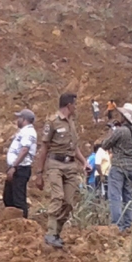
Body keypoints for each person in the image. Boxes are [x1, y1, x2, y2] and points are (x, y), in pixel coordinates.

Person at [35, 93, 82, 250]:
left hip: (71, 166)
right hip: (55, 164)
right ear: (69, 105)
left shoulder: (72, 123)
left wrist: (84, 162)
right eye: (75, 105)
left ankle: (57, 234)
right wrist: (39, 173)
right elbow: (44, 148)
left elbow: (74, 148)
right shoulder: (52, 122)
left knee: (68, 202)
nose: (76, 107)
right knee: (58, 197)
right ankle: (50, 233)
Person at [99, 103, 132, 234]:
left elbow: (105, 145)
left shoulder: (120, 131)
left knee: (115, 196)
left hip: (118, 167)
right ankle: (128, 225)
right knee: (128, 196)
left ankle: (117, 225)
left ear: (125, 116)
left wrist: (112, 130)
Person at [3, 110, 36, 217]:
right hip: (16, 167)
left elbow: (24, 150)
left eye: (19, 118)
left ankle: (23, 224)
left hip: (20, 168)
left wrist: (14, 166)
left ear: (24, 119)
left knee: (18, 199)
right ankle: (12, 223)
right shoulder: (24, 131)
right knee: (8, 197)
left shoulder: (28, 132)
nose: (17, 120)